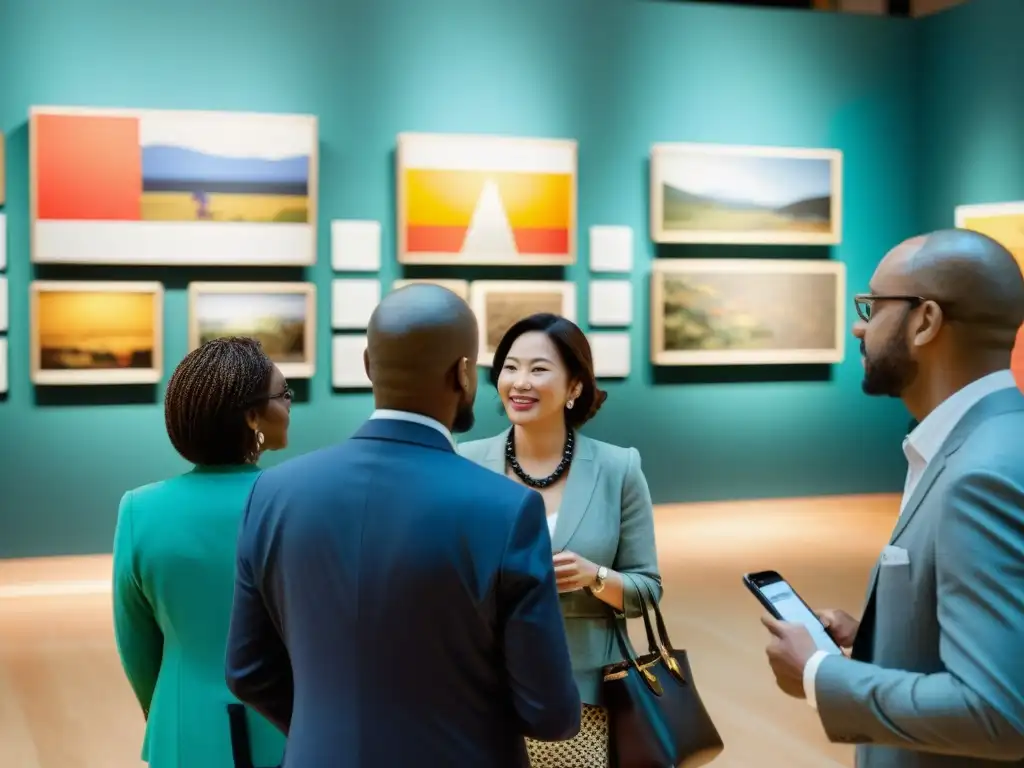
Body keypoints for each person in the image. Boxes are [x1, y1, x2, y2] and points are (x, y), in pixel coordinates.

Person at [224, 284, 581, 767]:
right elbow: (550, 713)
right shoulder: (507, 508)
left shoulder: (274, 493)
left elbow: (247, 670)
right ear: (463, 374)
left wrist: (328, 730)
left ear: (369, 364)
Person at [760, 229, 1024, 767]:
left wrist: (819, 674)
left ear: (925, 321)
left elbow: (1000, 712)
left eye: (872, 305)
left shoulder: (979, 475)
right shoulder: (993, 440)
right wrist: (880, 638)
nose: (859, 325)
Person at [459, 313, 662, 768]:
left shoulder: (618, 469)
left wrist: (595, 577)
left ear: (575, 387)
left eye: (539, 368)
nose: (520, 382)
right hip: (483, 697)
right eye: (510, 367)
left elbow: (647, 591)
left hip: (581, 700)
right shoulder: (464, 463)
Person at [112, 337, 291, 768]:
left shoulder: (140, 508)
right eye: (284, 394)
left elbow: (135, 643)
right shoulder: (296, 500)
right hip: (287, 725)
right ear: (252, 416)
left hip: (182, 725)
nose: (289, 405)